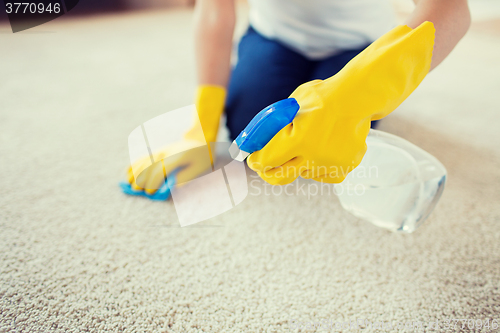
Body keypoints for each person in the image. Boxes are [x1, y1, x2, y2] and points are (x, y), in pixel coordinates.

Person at [127, 0, 470, 193]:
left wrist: (353, 96)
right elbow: (215, 8)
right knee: (250, 119)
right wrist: (201, 127)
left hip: (357, 47)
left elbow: (451, 8)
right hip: (275, 38)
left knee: (331, 129)